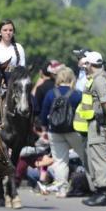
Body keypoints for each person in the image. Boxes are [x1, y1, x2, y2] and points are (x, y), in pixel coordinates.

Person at [74, 51, 106, 207]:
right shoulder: (97, 78)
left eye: (86, 64)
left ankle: (103, 193)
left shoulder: (99, 79)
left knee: (99, 158)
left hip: (98, 124)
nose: (85, 67)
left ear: (90, 65)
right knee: (94, 156)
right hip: (93, 123)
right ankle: (99, 191)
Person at [39, 67, 84, 198]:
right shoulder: (77, 94)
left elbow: (44, 114)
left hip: (55, 130)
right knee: (85, 157)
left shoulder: (50, 93)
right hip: (74, 130)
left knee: (60, 161)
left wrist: (44, 129)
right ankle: (93, 186)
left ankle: (62, 190)